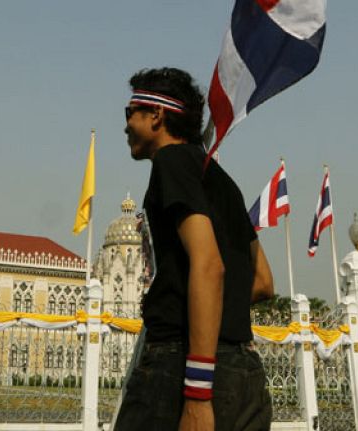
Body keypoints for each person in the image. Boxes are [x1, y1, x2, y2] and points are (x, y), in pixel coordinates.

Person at [114, 67, 275, 431]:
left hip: (181, 367)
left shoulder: (170, 162)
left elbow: (208, 265)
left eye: (130, 113)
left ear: (156, 115)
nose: (125, 126)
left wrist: (198, 394)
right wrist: (212, 306)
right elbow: (264, 282)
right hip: (244, 373)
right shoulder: (223, 182)